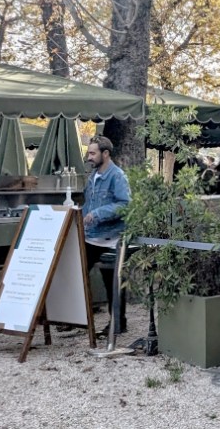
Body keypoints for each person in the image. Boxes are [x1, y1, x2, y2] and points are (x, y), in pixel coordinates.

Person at [81, 136, 132, 335]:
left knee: (113, 283)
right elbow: (89, 202)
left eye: (92, 153)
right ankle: (75, 318)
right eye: (89, 152)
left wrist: (97, 214)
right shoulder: (92, 176)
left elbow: (125, 204)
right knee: (77, 275)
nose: (89, 157)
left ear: (106, 154)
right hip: (90, 237)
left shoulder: (117, 176)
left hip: (111, 239)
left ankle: (118, 324)